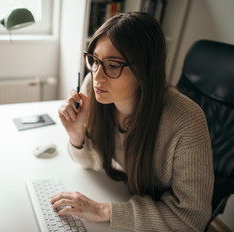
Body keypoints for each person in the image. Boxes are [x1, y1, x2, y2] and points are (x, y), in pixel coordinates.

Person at [51, 12, 214, 231]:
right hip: (128, 193)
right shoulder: (95, 88)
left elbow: (192, 218)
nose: (98, 76)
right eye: (95, 60)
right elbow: (93, 162)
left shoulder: (186, 121)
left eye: (114, 66)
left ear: (144, 69)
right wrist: (76, 134)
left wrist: (103, 210)